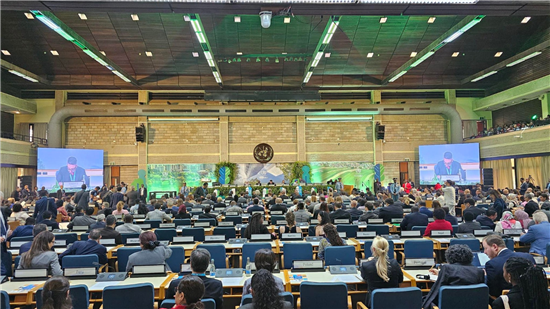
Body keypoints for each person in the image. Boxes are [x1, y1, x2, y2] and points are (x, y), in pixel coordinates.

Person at [422, 244, 484, 309]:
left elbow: (435, 293)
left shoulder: (446, 269)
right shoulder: (479, 271)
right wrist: (440, 273)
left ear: (449, 257)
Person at [360, 236, 403, 307]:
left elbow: (365, 278)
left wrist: (370, 262)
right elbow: (400, 280)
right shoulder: (395, 264)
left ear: (373, 249)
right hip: (394, 304)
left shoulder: (366, 266)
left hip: (374, 305)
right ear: (388, 249)